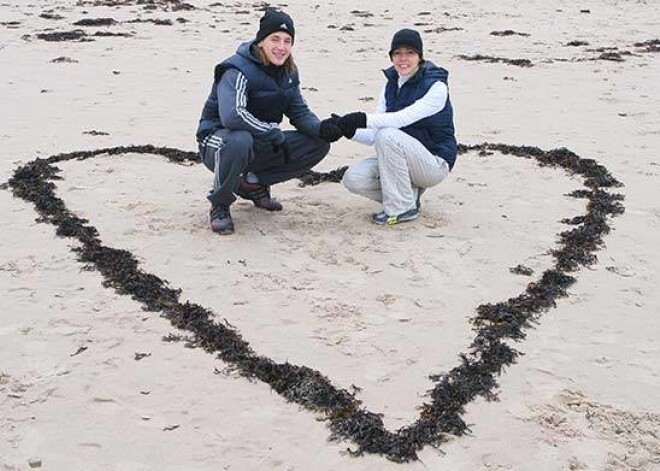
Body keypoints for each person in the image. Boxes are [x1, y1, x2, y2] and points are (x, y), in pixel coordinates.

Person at [195, 8, 343, 234]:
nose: (281, 47)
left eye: (287, 41)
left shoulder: (289, 73)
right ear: (261, 40)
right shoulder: (236, 69)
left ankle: (253, 183)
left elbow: (300, 113)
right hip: (217, 142)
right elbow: (233, 116)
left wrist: (325, 129)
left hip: (259, 140)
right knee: (240, 139)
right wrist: (272, 132)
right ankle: (220, 204)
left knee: (318, 144)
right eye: (274, 39)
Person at [333, 28, 457, 225]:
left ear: (420, 56)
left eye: (410, 53)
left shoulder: (436, 87)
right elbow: (375, 135)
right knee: (353, 178)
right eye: (397, 53)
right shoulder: (390, 84)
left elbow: (400, 119)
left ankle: (402, 209)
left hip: (434, 163)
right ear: (391, 56)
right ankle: (408, 197)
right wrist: (345, 130)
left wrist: (360, 119)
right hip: (400, 157)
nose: (403, 58)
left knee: (388, 134)